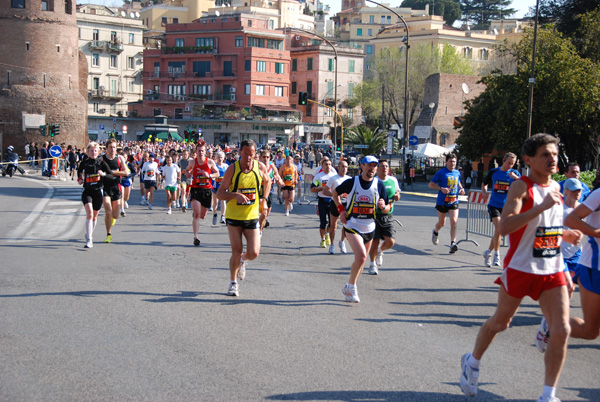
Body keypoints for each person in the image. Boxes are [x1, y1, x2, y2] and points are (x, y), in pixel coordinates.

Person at [459, 133, 582, 402]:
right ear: (528, 159)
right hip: (521, 268)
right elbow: (504, 227)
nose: (552, 159)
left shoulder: (557, 189)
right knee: (501, 323)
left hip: (552, 269)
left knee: (561, 329)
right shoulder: (521, 188)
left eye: (554, 154)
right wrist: (541, 207)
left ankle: (548, 395)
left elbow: (546, 230)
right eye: (545, 155)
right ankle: (472, 362)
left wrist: (565, 233)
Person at [216, 139, 271, 297]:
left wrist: (264, 199)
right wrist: (235, 195)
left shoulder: (259, 167)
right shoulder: (232, 170)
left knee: (254, 253)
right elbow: (220, 193)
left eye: (251, 155)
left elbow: (268, 181)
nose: (248, 157)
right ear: (240, 152)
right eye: (245, 154)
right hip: (234, 217)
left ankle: (243, 260)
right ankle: (233, 283)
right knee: (236, 250)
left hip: (252, 216)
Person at [332, 155, 390, 303]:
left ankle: (350, 286)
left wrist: (383, 207)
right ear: (362, 166)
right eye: (369, 165)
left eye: (374, 166)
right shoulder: (353, 182)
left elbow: (387, 208)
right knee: (362, 256)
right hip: (352, 225)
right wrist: (341, 210)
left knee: (360, 261)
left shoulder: (379, 185)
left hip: (370, 226)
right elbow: (335, 193)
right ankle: (352, 287)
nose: (372, 168)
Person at [554, 182, 600, 347]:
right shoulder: (598, 195)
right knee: (590, 331)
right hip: (594, 267)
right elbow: (571, 219)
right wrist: (596, 233)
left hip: (582, 259)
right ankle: (552, 325)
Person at [481, 152, 520, 266]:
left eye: (512, 164)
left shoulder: (515, 173)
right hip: (494, 205)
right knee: (499, 228)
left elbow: (524, 186)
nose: (510, 166)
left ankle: (488, 251)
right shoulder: (494, 172)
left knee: (499, 231)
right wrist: (484, 192)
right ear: (503, 161)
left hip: (507, 206)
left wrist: (516, 178)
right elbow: (484, 183)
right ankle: (497, 256)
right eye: (509, 163)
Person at [77, 142, 113, 248]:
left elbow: (111, 175)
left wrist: (104, 174)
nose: (93, 152)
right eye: (91, 150)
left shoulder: (101, 163)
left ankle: (89, 233)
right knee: (89, 214)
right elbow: (79, 171)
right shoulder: (85, 162)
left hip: (98, 191)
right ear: (88, 152)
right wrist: (79, 178)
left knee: (95, 216)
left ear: (98, 152)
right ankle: (89, 239)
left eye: (95, 150)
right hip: (87, 191)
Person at [368, 159, 401, 275]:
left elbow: (397, 193)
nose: (385, 168)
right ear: (378, 168)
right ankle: (372, 264)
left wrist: (397, 196)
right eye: (382, 166)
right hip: (374, 215)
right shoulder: (374, 181)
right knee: (374, 241)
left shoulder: (393, 180)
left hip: (388, 215)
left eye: (386, 166)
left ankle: (380, 251)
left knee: (390, 241)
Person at [185, 140, 220, 246]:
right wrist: (188, 174)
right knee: (196, 214)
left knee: (202, 215)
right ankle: (196, 237)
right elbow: (186, 170)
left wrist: (209, 175)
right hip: (196, 189)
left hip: (207, 190)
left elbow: (217, 173)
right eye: (199, 151)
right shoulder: (192, 162)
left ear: (205, 152)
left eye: (202, 151)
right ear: (196, 151)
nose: (200, 153)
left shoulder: (210, 162)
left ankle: (198, 214)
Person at [429, 153, 465, 253]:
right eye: (450, 161)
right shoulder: (441, 173)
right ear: (446, 162)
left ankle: (453, 243)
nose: (452, 163)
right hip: (442, 201)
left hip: (454, 200)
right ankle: (435, 232)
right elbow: (431, 184)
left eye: (454, 161)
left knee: (453, 221)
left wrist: (461, 189)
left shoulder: (457, 172)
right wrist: (441, 188)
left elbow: (457, 182)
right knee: (442, 223)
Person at [101, 139, 130, 243]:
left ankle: (113, 219)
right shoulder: (102, 159)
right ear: (107, 149)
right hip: (105, 188)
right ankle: (108, 234)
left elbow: (126, 172)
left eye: (114, 147)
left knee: (115, 215)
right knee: (108, 211)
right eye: (110, 147)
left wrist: (114, 173)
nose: (113, 149)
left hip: (116, 187)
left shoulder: (120, 158)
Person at [323, 159, 351, 254]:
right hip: (335, 203)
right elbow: (325, 191)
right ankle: (332, 245)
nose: (344, 168)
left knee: (346, 225)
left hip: (346, 204)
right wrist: (334, 195)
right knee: (333, 225)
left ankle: (342, 242)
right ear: (338, 168)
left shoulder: (349, 179)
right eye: (342, 166)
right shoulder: (333, 178)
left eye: (346, 167)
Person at [311, 157, 336, 248]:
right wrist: (322, 188)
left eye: (329, 164)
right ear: (322, 166)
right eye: (326, 164)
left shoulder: (334, 176)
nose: (328, 166)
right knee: (322, 222)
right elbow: (312, 189)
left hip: (332, 201)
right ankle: (323, 239)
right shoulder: (319, 176)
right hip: (322, 200)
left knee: (331, 223)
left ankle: (327, 233)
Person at [258, 149, 284, 233]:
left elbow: (276, 175)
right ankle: (258, 230)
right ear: (260, 157)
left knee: (266, 214)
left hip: (269, 191)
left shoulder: (272, 166)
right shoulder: (257, 166)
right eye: (264, 157)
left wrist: (280, 181)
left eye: (267, 157)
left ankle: (260, 228)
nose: (265, 159)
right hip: (259, 191)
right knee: (263, 211)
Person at [211, 151, 228, 225]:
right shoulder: (214, 166)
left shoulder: (226, 166)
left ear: (223, 158)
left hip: (223, 186)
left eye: (221, 157)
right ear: (216, 158)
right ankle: (215, 214)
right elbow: (211, 175)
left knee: (223, 201)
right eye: (218, 157)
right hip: (215, 186)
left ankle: (223, 216)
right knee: (215, 202)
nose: (220, 159)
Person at [178, 148, 192, 212]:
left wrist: (189, 172)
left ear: (188, 154)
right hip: (183, 179)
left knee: (187, 192)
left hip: (189, 179)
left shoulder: (191, 161)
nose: (185, 156)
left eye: (186, 154)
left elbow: (194, 169)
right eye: (183, 154)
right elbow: (178, 169)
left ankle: (186, 201)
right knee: (183, 191)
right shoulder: (180, 161)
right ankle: (183, 205)